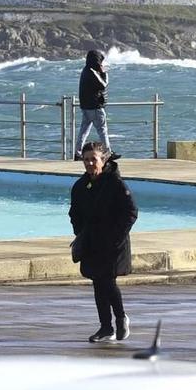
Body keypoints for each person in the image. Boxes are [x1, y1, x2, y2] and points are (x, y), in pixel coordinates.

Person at [70, 142, 137, 344]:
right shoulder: (80, 185)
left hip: (113, 244)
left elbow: (131, 212)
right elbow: (74, 212)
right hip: (91, 242)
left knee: (107, 281)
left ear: (103, 160)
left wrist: (115, 237)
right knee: (98, 283)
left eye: (94, 159)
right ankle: (106, 327)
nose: (90, 163)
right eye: (86, 159)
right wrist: (80, 232)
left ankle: (120, 317)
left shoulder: (116, 184)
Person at [76, 50, 110, 156]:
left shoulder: (85, 70)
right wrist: (104, 73)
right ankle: (108, 152)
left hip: (86, 106)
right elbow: (103, 85)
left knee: (84, 131)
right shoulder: (92, 71)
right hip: (95, 106)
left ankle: (78, 153)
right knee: (102, 130)